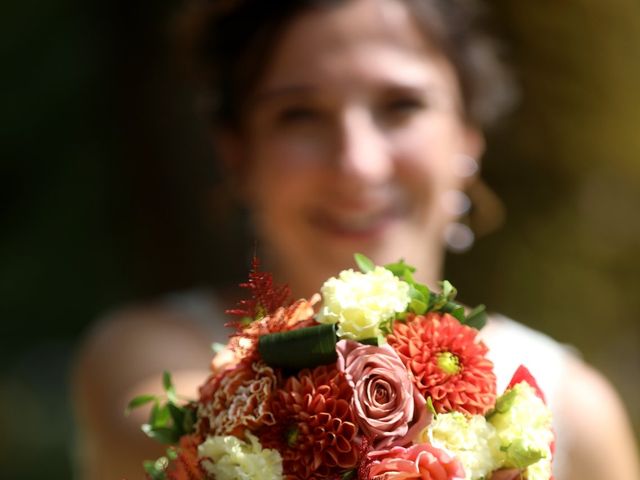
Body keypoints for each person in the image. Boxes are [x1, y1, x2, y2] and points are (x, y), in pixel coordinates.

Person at [72, 1, 640, 479]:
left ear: (468, 137)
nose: (358, 165)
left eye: (401, 106)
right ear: (238, 154)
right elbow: (160, 431)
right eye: (300, 115)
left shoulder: (572, 410)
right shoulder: (147, 354)